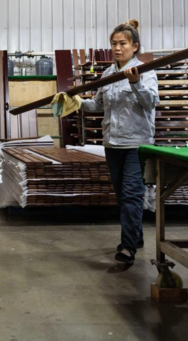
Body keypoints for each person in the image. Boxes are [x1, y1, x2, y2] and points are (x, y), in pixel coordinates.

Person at [81, 19, 159, 265]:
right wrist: (76, 103)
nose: (117, 48)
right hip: (112, 144)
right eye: (113, 43)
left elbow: (151, 102)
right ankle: (136, 237)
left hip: (137, 143)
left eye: (122, 43)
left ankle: (128, 248)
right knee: (123, 195)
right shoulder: (108, 74)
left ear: (134, 46)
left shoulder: (146, 71)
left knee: (131, 194)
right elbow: (98, 105)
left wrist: (135, 83)